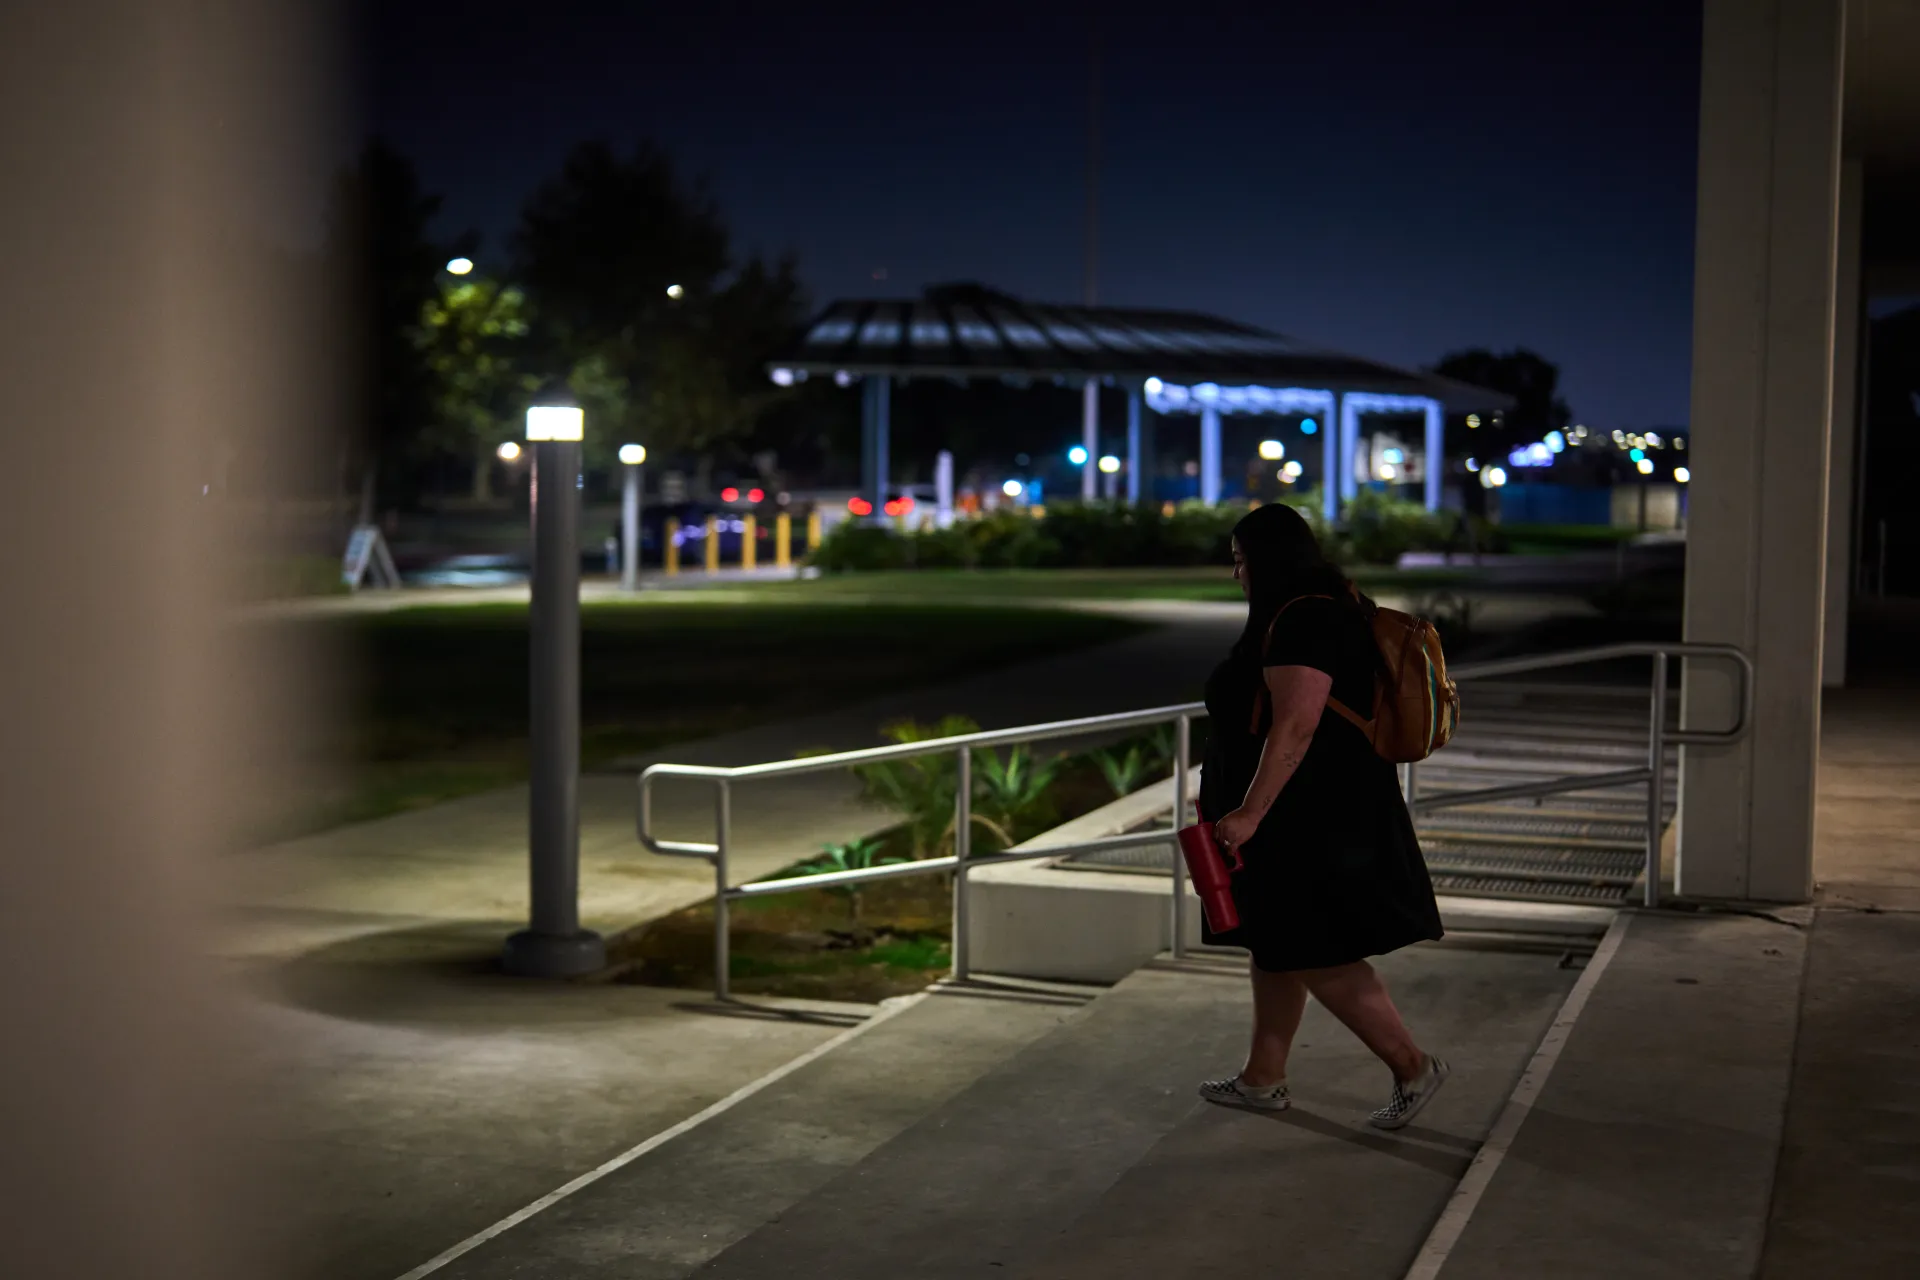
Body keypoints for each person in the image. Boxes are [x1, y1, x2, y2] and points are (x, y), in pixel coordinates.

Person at [1195, 502, 1449, 1130]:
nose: (1237, 575)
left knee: (1319, 949)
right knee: (1278, 941)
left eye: (1240, 560)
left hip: (1306, 816)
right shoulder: (1329, 606)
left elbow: (1298, 722)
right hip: (1312, 809)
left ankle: (1412, 1064)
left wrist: (1250, 812)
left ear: (1267, 559)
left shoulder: (1304, 619)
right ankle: (1263, 1077)